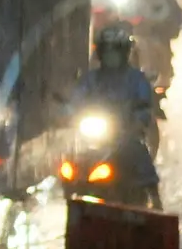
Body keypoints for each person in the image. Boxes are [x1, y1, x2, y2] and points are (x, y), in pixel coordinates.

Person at [68, 22, 162, 208]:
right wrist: (66, 111)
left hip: (126, 133)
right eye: (107, 51)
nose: (111, 56)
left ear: (124, 53)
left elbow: (144, 104)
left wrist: (138, 119)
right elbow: (75, 100)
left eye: (115, 51)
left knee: (138, 151)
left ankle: (155, 197)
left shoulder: (136, 79)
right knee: (72, 161)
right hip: (96, 135)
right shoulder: (90, 79)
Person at [130, 0, 182, 88]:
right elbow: (121, 16)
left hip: (159, 39)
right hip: (136, 38)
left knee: (162, 59)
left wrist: (165, 29)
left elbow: (179, 19)